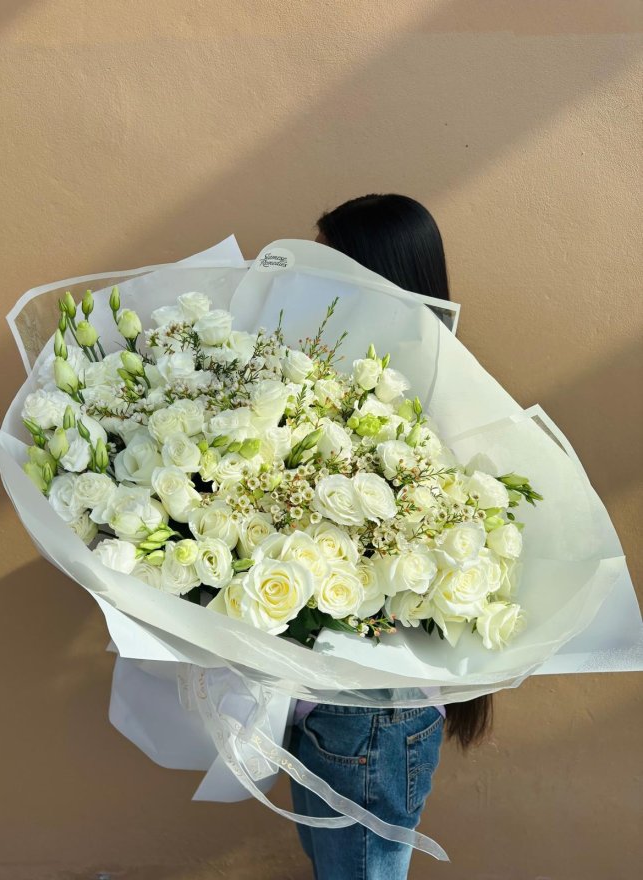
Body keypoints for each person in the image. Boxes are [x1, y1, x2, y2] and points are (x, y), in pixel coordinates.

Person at [288, 194, 492, 880]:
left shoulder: (427, 410)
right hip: (329, 702)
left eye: (323, 264)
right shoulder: (337, 388)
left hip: (373, 715)